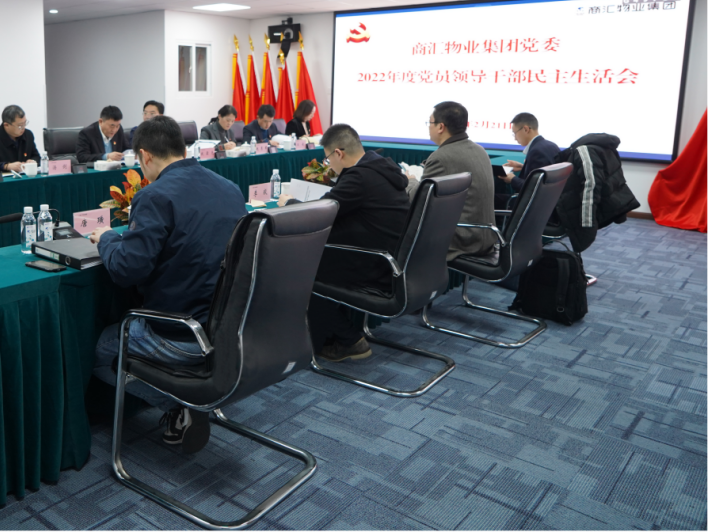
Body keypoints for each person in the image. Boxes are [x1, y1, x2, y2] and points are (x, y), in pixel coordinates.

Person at [88, 116, 246, 453]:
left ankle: (181, 403)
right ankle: (190, 401)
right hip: (228, 329)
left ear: (145, 156)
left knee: (99, 350)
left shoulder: (155, 195)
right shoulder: (229, 188)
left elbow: (126, 270)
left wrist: (107, 238)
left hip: (179, 334)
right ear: (183, 148)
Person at [277, 124, 409, 361]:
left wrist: (289, 203)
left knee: (299, 267)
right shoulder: (380, 167)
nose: (329, 165)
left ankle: (348, 340)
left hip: (373, 264)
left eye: (328, 159)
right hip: (389, 258)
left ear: (338, 153)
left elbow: (321, 212)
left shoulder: (360, 177)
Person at [406, 101, 497, 261]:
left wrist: (411, 181)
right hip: (487, 235)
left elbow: (416, 200)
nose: (428, 127)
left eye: (430, 123)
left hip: (463, 240)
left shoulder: (441, 157)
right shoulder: (479, 150)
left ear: (441, 127)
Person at [502, 112, 560, 192]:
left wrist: (512, 179)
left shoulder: (536, 151)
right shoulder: (552, 145)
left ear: (526, 129)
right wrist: (523, 167)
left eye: (515, 133)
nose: (515, 138)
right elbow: (546, 172)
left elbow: (533, 188)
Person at [0, 105, 41, 172]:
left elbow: (36, 156)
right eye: (20, 126)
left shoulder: (28, 135)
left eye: (25, 123)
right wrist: (6, 166)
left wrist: (33, 161)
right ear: (6, 125)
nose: (23, 128)